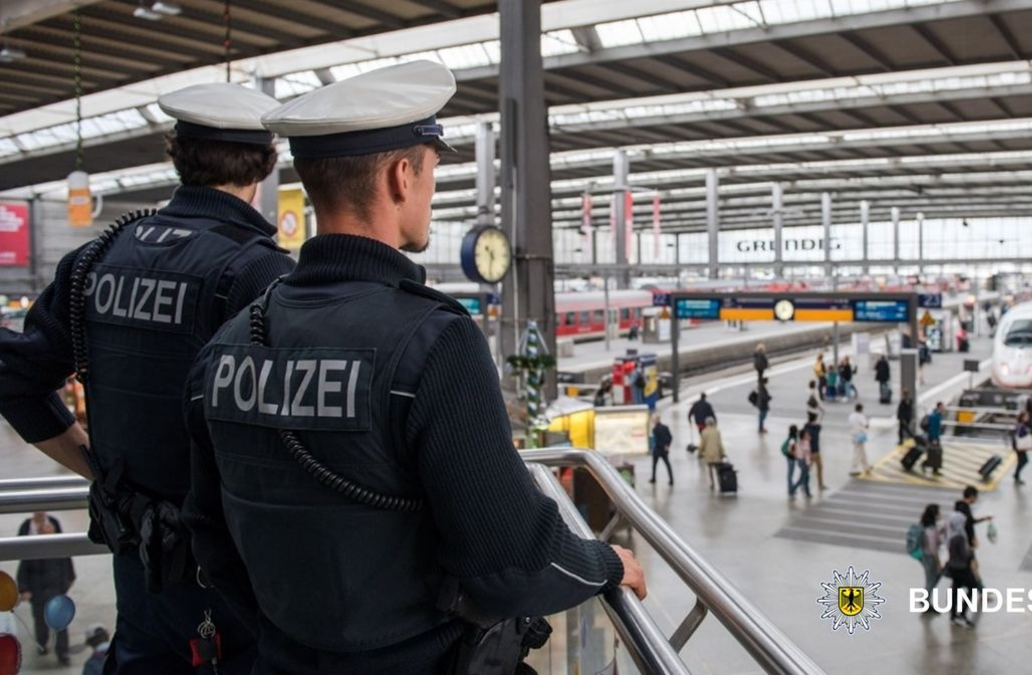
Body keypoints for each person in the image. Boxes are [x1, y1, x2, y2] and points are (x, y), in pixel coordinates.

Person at [182, 62, 645, 674]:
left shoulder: (230, 344)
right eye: (431, 172)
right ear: (403, 176)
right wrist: (607, 563)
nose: (430, 192)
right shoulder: (434, 341)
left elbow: (210, 541)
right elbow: (512, 566)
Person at [0, 83, 294, 674]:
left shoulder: (93, 260)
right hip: (236, 582)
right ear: (265, 167)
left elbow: (15, 378)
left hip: (138, 570)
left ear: (175, 154)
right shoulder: (260, 271)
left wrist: (98, 468)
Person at [16, 513, 74, 665]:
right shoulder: (29, 539)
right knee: (40, 621)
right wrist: (24, 588)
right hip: (38, 587)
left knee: (60, 622)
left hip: (55, 585)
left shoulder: (55, 530)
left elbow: (65, 555)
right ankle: (42, 644)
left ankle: (63, 652)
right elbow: (24, 565)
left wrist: (69, 576)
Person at [945, 510, 978, 628]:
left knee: (955, 590)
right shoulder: (959, 537)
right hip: (962, 568)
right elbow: (964, 555)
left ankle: (953, 615)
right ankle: (962, 613)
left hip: (953, 567)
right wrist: (971, 550)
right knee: (973, 588)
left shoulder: (950, 534)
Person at [918, 504, 943, 612]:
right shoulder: (931, 530)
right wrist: (938, 563)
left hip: (924, 555)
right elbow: (933, 550)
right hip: (930, 557)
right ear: (935, 515)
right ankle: (925, 600)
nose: (941, 514)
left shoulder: (926, 526)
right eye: (939, 513)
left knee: (932, 578)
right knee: (932, 579)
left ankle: (926, 599)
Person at [806, 381, 827, 490]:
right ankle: (819, 484)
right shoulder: (817, 428)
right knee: (817, 467)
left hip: (812, 451)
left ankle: (806, 482)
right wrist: (822, 409)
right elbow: (818, 401)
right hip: (815, 452)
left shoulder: (806, 427)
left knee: (813, 467)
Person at [699, 417, 726, 490]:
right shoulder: (717, 431)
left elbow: (702, 444)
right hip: (716, 453)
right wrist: (723, 453)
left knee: (710, 469)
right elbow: (720, 443)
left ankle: (712, 483)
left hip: (709, 454)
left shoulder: (704, 432)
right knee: (718, 469)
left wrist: (699, 453)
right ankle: (720, 482)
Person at [649, 414, 674, 486]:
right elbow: (670, 437)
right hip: (664, 450)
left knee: (654, 465)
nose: (653, 421)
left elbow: (656, 440)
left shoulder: (655, 429)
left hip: (657, 449)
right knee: (667, 465)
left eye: (654, 419)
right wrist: (667, 445)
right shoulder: (665, 427)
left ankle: (653, 478)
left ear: (657, 420)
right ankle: (671, 479)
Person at [1012, 411, 1032, 484]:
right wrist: (1027, 432)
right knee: (1024, 460)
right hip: (1019, 446)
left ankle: (1016, 475)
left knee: (1021, 460)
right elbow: (1021, 435)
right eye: (1026, 416)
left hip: (1017, 446)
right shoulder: (1021, 426)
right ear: (1022, 417)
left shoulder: (1019, 424)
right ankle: (1016, 475)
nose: (1028, 418)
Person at [849, 403, 871, 476]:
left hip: (853, 435)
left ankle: (866, 467)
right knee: (858, 452)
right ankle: (853, 469)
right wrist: (867, 425)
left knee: (862, 451)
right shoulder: (861, 416)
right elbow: (866, 425)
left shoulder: (851, 415)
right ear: (861, 409)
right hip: (860, 435)